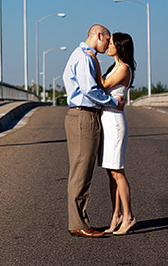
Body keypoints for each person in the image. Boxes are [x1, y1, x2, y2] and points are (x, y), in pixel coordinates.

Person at [62, 24, 124, 238]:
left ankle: (78, 221)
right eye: (107, 40)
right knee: (81, 171)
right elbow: (89, 89)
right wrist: (113, 102)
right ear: (99, 36)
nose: (108, 45)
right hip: (83, 115)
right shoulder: (84, 57)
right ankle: (78, 223)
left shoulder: (82, 55)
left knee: (83, 171)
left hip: (85, 115)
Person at [99, 32, 136, 235]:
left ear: (120, 47)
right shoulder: (114, 67)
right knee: (110, 173)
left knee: (118, 172)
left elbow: (102, 85)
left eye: (111, 43)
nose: (108, 45)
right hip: (107, 122)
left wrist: (92, 61)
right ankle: (116, 215)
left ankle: (128, 216)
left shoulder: (123, 69)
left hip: (115, 124)